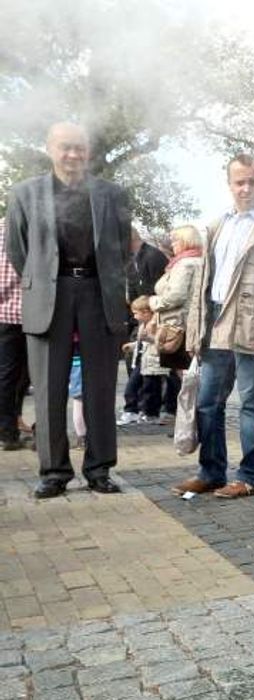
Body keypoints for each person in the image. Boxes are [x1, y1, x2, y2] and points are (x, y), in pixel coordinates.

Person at [5, 122, 131, 498]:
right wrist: (44, 280)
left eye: (79, 148)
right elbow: (17, 249)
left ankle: (99, 469)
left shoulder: (113, 194)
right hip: (48, 295)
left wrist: (100, 280)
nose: (73, 155)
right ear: (50, 149)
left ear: (88, 151)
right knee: (47, 389)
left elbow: (121, 248)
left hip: (97, 291)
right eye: (65, 148)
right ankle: (54, 472)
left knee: (101, 388)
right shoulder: (25, 193)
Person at [174, 153, 254, 499]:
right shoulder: (216, 225)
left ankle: (250, 476)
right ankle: (211, 472)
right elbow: (202, 285)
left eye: (253, 182)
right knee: (208, 402)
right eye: (239, 182)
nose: (246, 188)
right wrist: (196, 330)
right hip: (216, 323)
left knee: (252, 402)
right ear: (229, 185)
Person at [119, 226, 171, 425]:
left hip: (152, 318)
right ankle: (140, 405)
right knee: (136, 363)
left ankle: (152, 407)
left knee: (153, 369)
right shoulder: (131, 260)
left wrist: (152, 316)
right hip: (137, 318)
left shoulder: (153, 257)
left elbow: (159, 290)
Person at [148, 224, 205, 373]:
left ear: (186, 241)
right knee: (190, 373)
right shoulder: (200, 261)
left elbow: (175, 296)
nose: (172, 244)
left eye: (175, 240)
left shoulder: (184, 264)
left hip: (177, 326)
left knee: (181, 376)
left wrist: (153, 302)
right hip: (190, 324)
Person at [0, 219, 33, 451]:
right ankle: (45, 434)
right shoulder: (36, 227)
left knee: (6, 375)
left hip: (4, 315)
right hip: (36, 313)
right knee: (39, 375)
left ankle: (7, 432)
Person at [121, 296, 163, 421]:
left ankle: (147, 412)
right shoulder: (142, 325)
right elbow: (142, 343)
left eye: (136, 313)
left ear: (146, 312)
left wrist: (148, 338)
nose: (134, 317)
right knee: (134, 386)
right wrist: (133, 346)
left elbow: (156, 342)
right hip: (141, 360)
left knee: (149, 388)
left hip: (151, 361)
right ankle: (134, 409)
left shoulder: (154, 325)